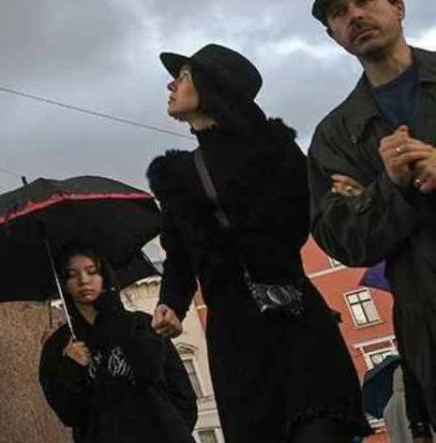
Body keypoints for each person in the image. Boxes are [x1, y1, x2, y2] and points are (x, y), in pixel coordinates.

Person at [146, 44, 370, 442]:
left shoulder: (274, 150)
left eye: (181, 77)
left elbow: (310, 218)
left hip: (296, 319)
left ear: (213, 87)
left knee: (320, 431)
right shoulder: (177, 175)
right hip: (236, 338)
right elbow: (178, 252)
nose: (170, 84)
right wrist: (171, 302)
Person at [306, 0, 436, 423]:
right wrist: (393, 185)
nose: (355, 15)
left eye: (365, 1)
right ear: (334, 36)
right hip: (429, 319)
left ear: (397, 6)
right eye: (340, 14)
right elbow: (345, 241)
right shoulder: (335, 137)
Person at [38, 244, 197, 442]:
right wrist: (72, 368)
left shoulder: (140, 325)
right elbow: (69, 413)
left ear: (104, 276)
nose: (84, 280)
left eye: (91, 271)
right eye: (72, 274)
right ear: (64, 283)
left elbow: (183, 394)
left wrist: (171, 431)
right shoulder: (59, 347)